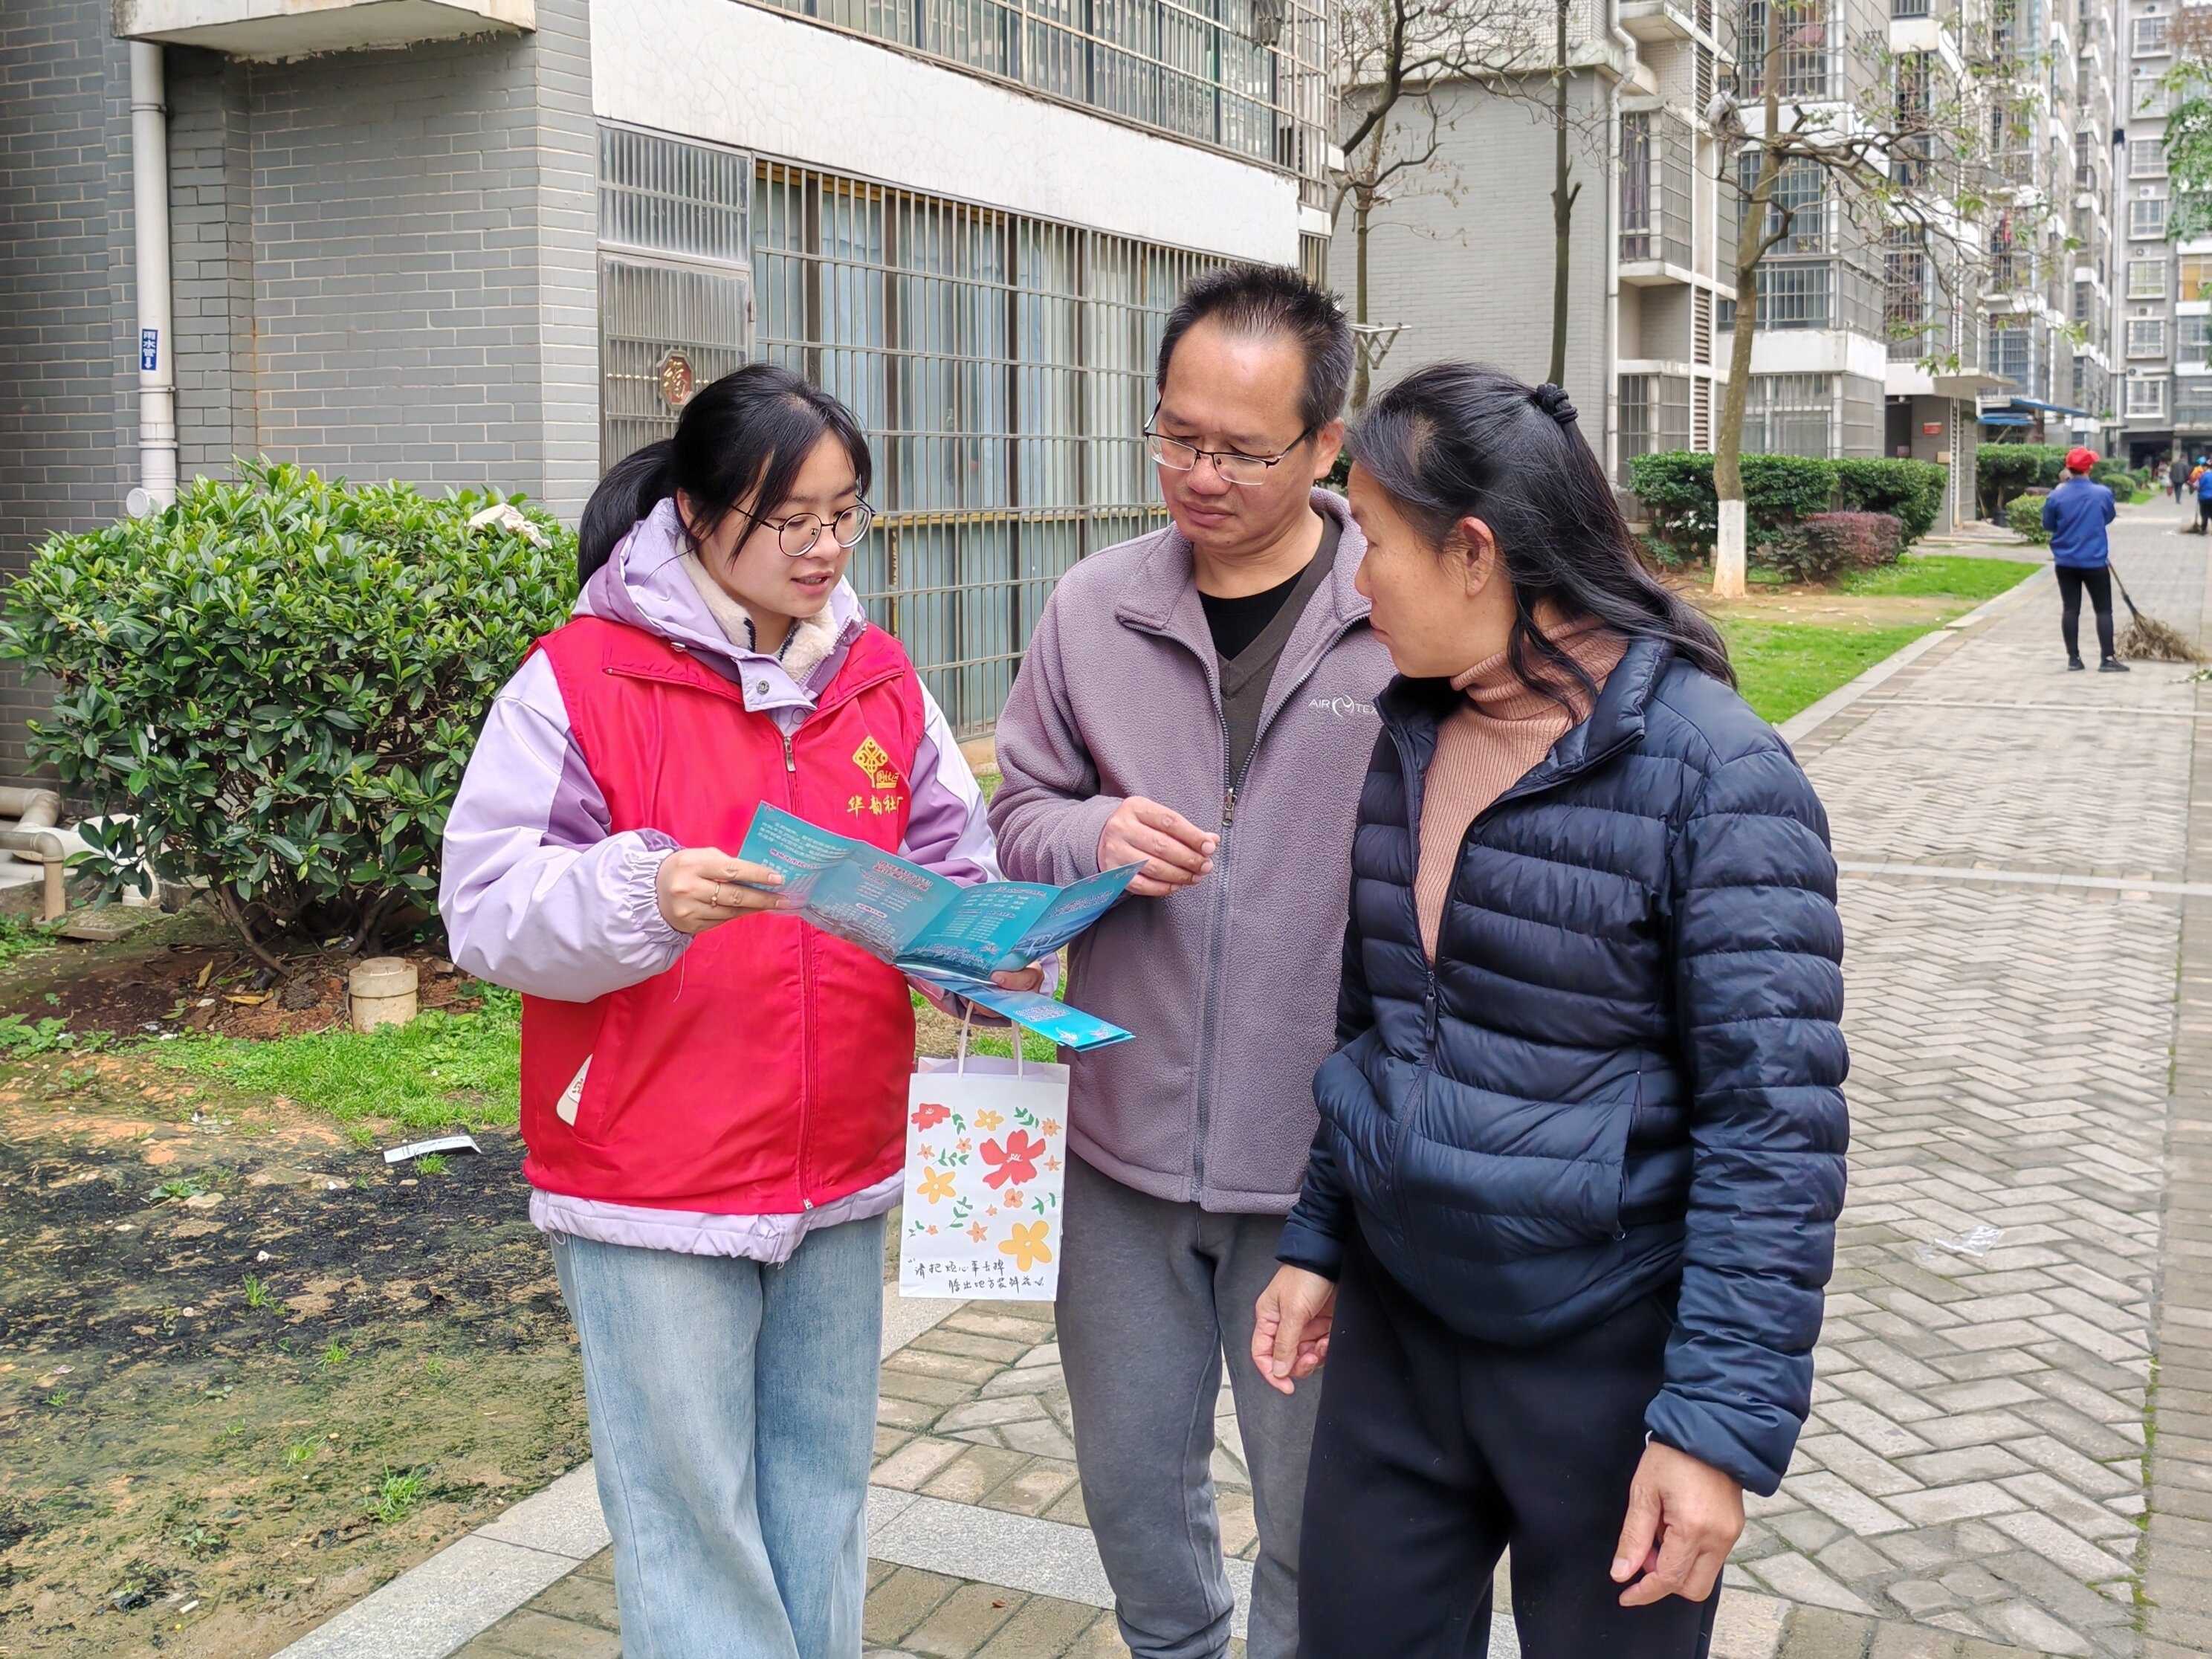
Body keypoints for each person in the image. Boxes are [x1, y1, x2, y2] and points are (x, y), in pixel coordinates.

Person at [439, 364, 1038, 1659]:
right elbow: (483, 908)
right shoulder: (579, 680)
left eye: (846, 514)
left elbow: (952, 863)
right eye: (791, 520)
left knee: (820, 1496)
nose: (825, 547)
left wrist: (989, 956)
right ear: (701, 514)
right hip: (653, 1171)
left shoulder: (879, 680)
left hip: (841, 1163)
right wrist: (642, 893)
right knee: (690, 1520)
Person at [1252, 365, 1849, 1658]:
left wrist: (1711, 1429)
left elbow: (1774, 1132)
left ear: (1474, 552)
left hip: (1607, 1356)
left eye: (1375, 543)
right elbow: (1375, 1024)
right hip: (1400, 1333)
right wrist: (1317, 1242)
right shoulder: (1410, 735)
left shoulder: (1717, 774)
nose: (1356, 581)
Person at [989, 265, 1392, 1659]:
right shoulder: (1093, 606)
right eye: (1176, 436)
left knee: (1314, 1510)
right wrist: (1091, 834)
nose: (1199, 475)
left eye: (1242, 450)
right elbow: (1018, 813)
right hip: (1117, 1146)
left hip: (1323, 1172)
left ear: (1326, 445)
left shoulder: (1394, 609)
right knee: (1129, 1490)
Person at [2041, 447, 2128, 673]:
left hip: (2065, 562)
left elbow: (2048, 524)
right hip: (2095, 561)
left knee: (2071, 609)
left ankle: (2074, 659)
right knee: (2103, 610)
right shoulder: (2102, 493)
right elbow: (2108, 517)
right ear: (2089, 468)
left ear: (2068, 467)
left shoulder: (2056, 495)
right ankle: (2107, 659)